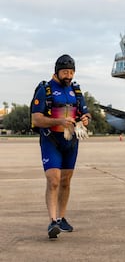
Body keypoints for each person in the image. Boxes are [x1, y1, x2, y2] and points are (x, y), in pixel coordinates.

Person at [31, 54, 91, 239]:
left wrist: (85, 119)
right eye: (65, 72)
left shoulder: (76, 91)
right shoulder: (45, 90)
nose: (69, 76)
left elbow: (86, 113)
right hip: (51, 140)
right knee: (54, 179)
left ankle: (62, 217)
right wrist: (59, 121)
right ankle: (52, 221)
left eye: (71, 72)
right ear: (57, 71)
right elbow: (36, 119)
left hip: (71, 142)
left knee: (65, 181)